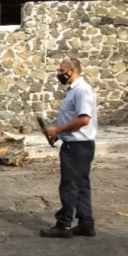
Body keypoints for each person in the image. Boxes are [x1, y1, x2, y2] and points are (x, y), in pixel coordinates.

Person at [40, 58, 98, 238]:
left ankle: (63, 225)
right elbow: (73, 118)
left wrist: (58, 129)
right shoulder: (73, 90)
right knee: (80, 185)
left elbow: (83, 119)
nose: (59, 73)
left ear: (71, 71)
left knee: (69, 186)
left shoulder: (82, 91)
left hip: (77, 147)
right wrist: (60, 133)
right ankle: (85, 224)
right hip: (75, 144)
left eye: (61, 70)